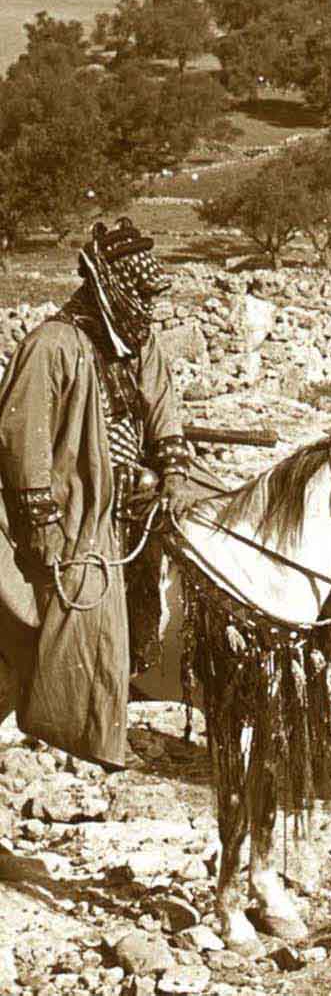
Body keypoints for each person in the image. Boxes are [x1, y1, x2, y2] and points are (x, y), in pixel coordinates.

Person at [0, 219, 203, 770]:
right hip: (70, 514)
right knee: (86, 615)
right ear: (106, 285)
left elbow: (164, 412)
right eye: (138, 293)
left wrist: (176, 470)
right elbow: (24, 442)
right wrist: (42, 523)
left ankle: (103, 730)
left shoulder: (139, 343)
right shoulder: (53, 345)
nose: (148, 306)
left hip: (124, 510)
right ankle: (73, 733)